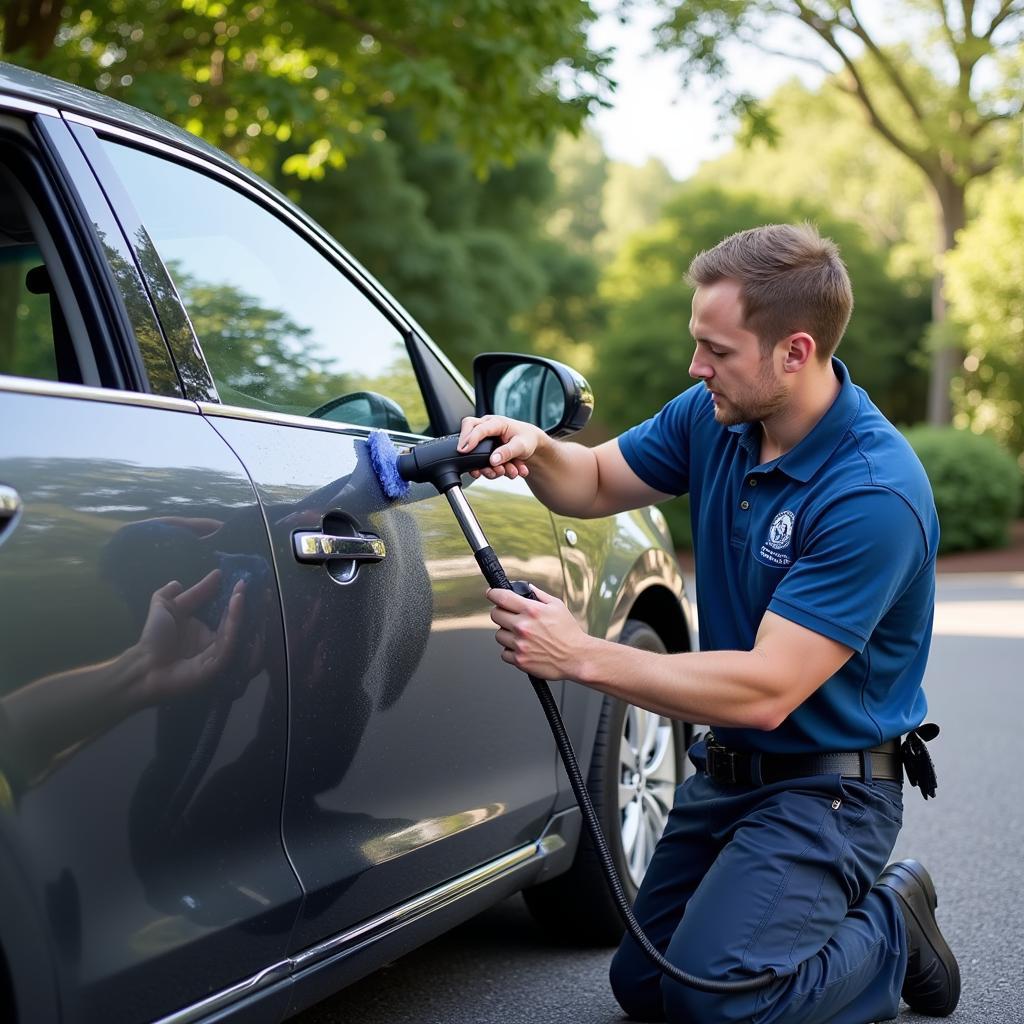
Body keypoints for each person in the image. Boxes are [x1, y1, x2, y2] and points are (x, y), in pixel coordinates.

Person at [456, 223, 960, 1023]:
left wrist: (580, 654)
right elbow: (590, 481)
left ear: (795, 352)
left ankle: (893, 928)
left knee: (715, 1004)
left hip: (828, 790)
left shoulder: (872, 492)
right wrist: (537, 446)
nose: (697, 367)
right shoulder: (714, 417)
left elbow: (766, 690)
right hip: (726, 774)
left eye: (716, 350)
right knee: (645, 984)